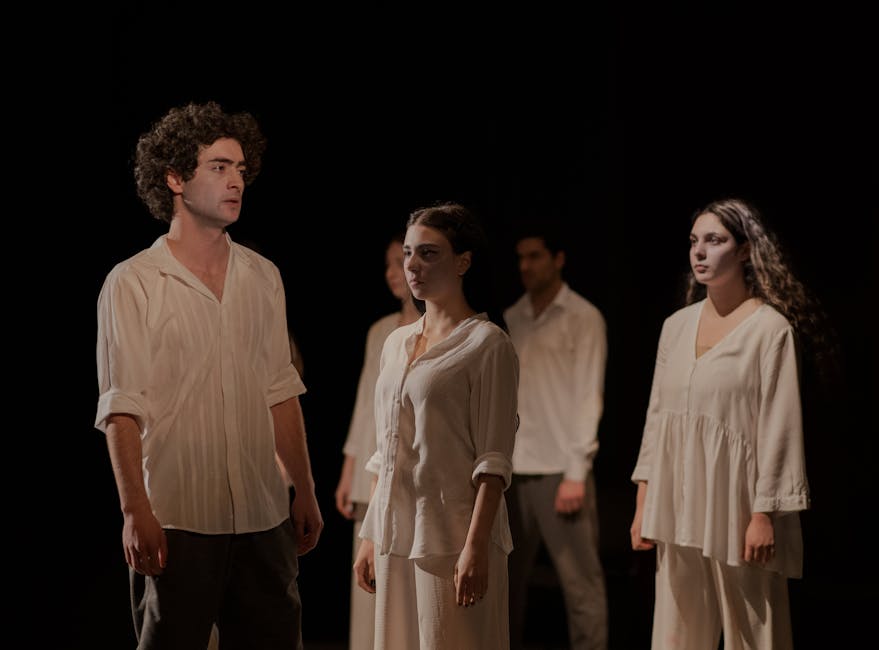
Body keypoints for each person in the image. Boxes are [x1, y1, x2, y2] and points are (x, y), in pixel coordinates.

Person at [95, 100, 323, 649]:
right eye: (218, 167)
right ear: (174, 177)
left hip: (262, 516)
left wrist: (306, 491)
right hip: (178, 518)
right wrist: (135, 511)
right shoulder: (134, 282)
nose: (235, 181)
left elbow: (280, 391)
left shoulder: (263, 276)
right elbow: (122, 406)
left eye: (241, 169)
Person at [630, 197, 820, 649]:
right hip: (676, 498)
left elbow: (780, 425)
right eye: (694, 241)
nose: (699, 251)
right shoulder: (675, 326)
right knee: (676, 631)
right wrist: (643, 503)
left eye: (714, 240)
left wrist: (763, 514)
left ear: (744, 250)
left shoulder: (769, 330)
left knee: (755, 632)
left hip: (739, 503)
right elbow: (657, 420)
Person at [352, 202, 520, 649]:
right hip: (395, 532)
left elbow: (494, 459)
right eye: (408, 253)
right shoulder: (395, 342)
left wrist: (476, 545)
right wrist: (370, 535)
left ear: (463, 261)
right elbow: (386, 449)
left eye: (429, 253)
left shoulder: (487, 344)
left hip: (451, 536)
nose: (413, 265)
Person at [503, 224, 609, 650]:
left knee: (580, 585)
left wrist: (576, 472)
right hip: (514, 469)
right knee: (504, 585)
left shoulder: (583, 317)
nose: (526, 266)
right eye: (521, 258)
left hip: (560, 471)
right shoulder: (513, 316)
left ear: (558, 259)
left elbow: (589, 395)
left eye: (535, 256)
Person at [334, 231, 420, 650]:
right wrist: (349, 471)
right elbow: (364, 404)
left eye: (399, 261)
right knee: (367, 577)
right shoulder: (380, 331)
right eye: (387, 263)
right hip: (372, 472)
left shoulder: (441, 329)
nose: (392, 272)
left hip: (413, 473)